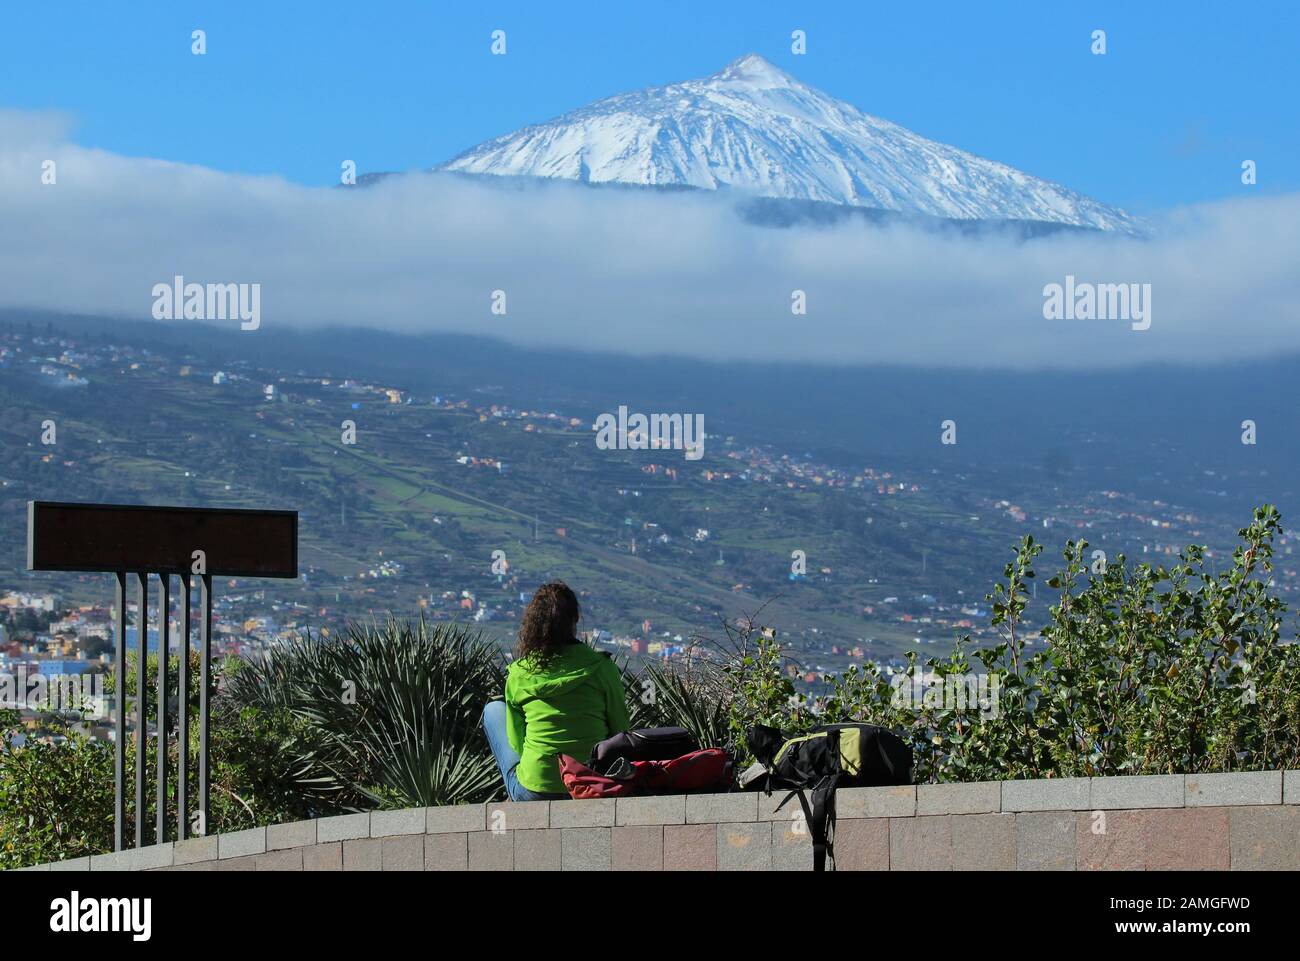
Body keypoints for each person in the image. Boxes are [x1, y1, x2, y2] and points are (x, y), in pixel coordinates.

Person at [481, 581, 630, 801]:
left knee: (494, 709)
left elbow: (516, 740)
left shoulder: (519, 673)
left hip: (535, 789)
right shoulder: (601, 667)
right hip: (591, 784)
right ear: (575, 619)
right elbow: (620, 730)